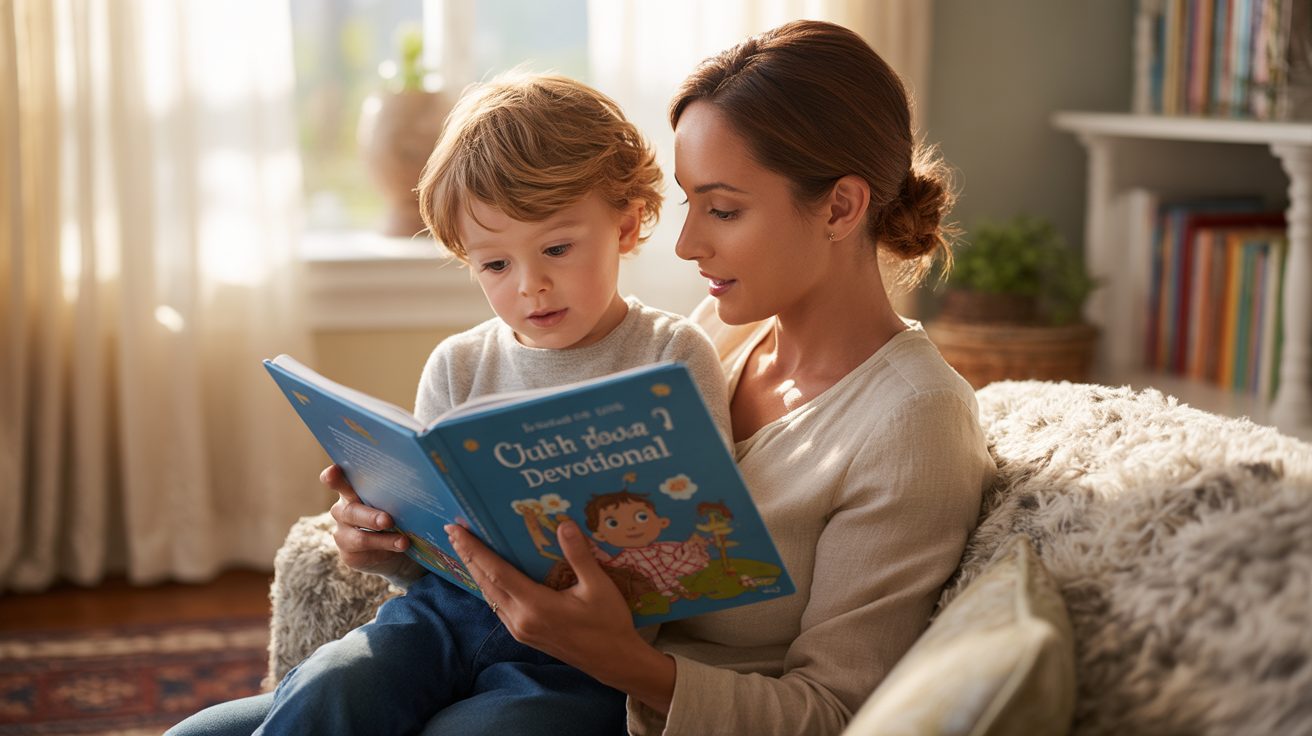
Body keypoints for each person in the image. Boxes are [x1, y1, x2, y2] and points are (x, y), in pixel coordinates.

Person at [340, 20, 994, 735]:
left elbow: (833, 715)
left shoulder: (915, 421)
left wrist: (621, 661)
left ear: (840, 207)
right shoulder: (726, 330)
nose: (684, 244)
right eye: (689, 204)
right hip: (491, 656)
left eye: (723, 209)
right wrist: (397, 537)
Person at [166, 72, 730, 736]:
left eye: (556, 248)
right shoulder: (459, 364)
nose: (532, 286)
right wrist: (379, 534)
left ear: (628, 223)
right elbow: (422, 552)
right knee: (330, 683)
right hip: (437, 618)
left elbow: (705, 529)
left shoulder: (673, 353)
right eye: (495, 265)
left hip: (579, 656)